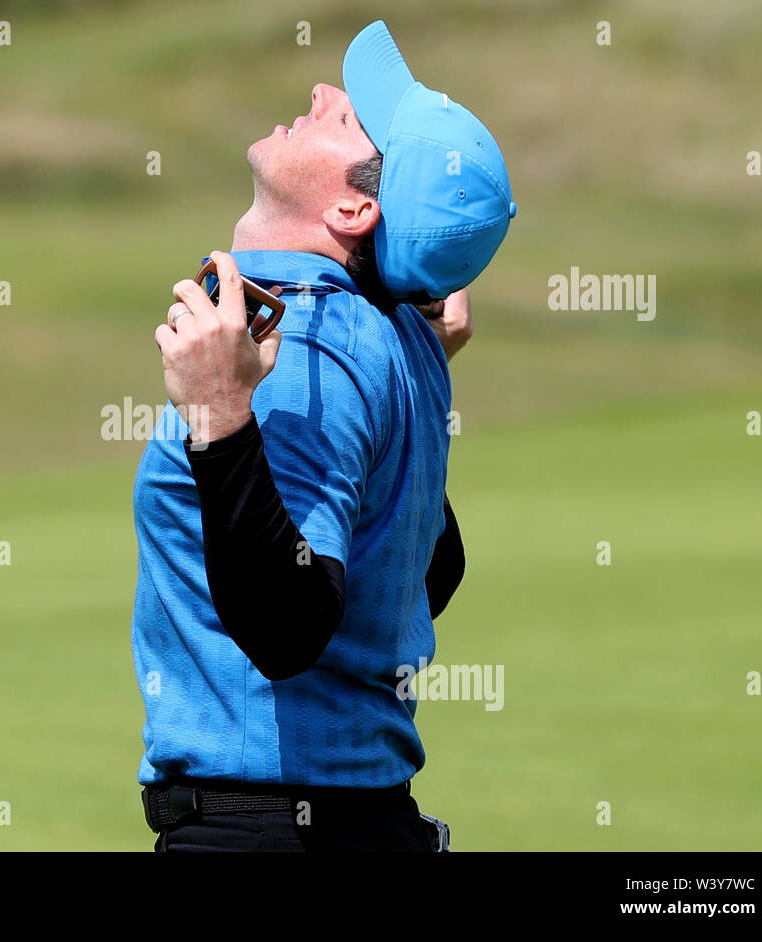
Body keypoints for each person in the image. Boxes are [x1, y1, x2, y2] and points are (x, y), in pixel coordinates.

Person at [130, 20, 516, 852]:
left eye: (349, 118)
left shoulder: (302, 350)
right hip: (354, 825)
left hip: (270, 835)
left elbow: (289, 625)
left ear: (355, 206)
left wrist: (222, 418)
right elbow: (423, 574)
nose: (322, 94)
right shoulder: (396, 338)